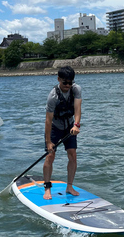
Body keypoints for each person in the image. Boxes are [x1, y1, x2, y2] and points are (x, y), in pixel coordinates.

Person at [43, 66, 82, 200]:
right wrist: (48, 142)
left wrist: (76, 125)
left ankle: (69, 186)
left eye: (70, 82)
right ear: (59, 79)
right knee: (50, 156)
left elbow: (77, 109)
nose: (68, 85)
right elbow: (48, 120)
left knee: (72, 155)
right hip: (55, 127)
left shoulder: (76, 90)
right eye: (65, 82)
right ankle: (47, 188)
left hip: (70, 126)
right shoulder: (53, 96)